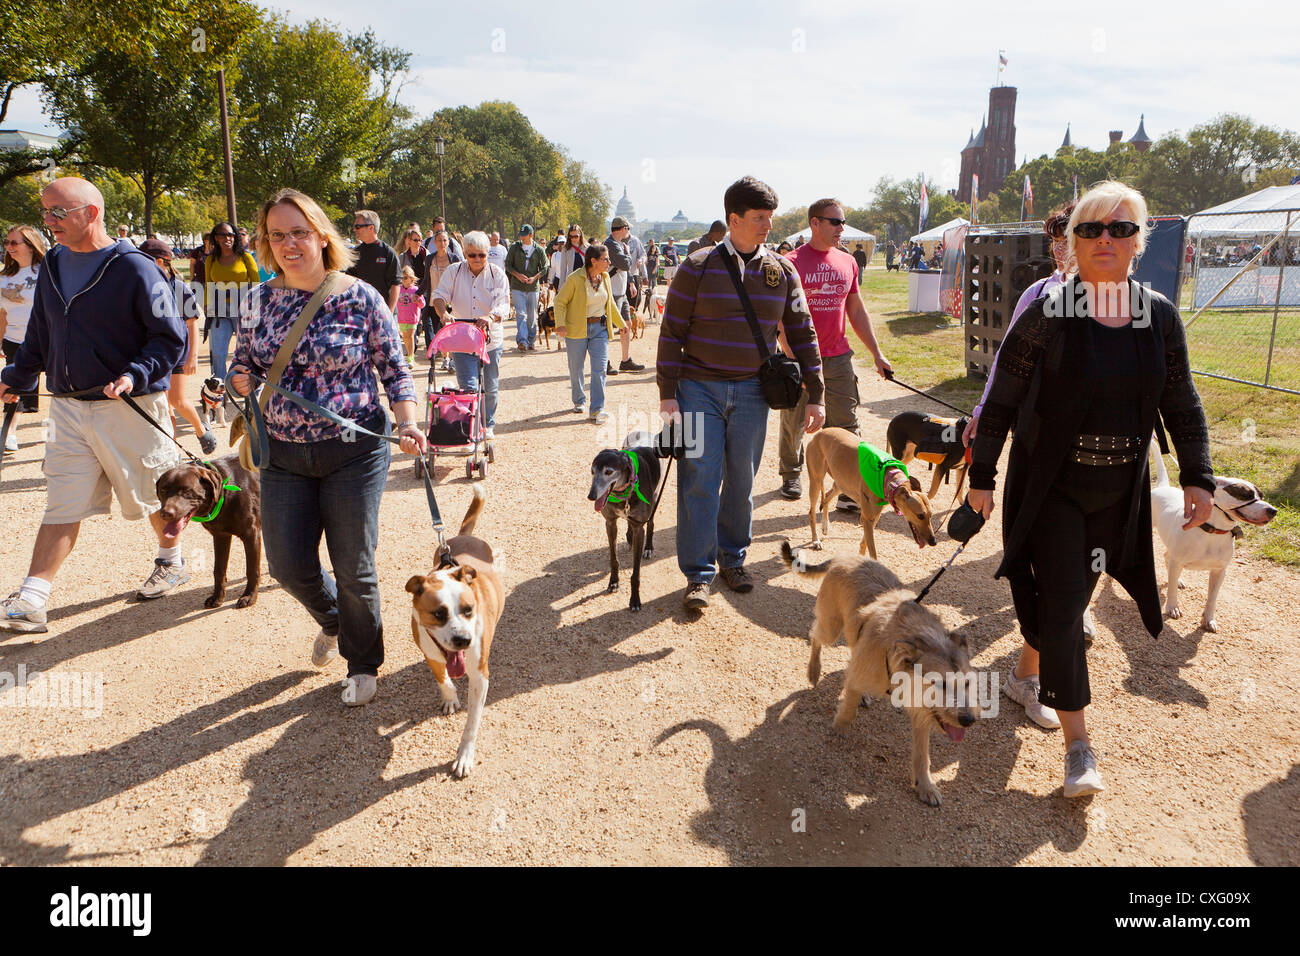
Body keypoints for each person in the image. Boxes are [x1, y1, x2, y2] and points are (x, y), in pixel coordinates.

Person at [967, 181, 1214, 797]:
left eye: (1121, 229)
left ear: (1140, 241)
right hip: (1052, 488)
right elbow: (1001, 401)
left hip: (1121, 490)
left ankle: (1025, 674)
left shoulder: (1157, 315)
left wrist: (1198, 474)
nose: (1106, 239)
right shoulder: (1047, 314)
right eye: (1091, 229)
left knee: (1067, 602)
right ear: (1071, 241)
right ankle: (1081, 749)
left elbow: (1182, 401)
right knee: (1067, 603)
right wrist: (981, 479)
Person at [228, 188, 423, 707]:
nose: (289, 243)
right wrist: (239, 379)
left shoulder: (358, 296)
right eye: (277, 235)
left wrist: (408, 423)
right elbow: (240, 364)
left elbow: (394, 369)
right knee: (287, 566)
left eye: (299, 232)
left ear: (320, 236)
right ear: (267, 244)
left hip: (354, 450)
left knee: (354, 563)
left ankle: (362, 662)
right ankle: (339, 621)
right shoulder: (259, 301)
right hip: (283, 456)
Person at [0, 176, 188, 633]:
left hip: (129, 407)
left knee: (155, 496)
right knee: (62, 502)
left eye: (58, 213)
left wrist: (134, 373)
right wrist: (17, 377)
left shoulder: (136, 267)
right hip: (67, 407)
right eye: (45, 213)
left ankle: (172, 560)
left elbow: (171, 338)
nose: (49, 222)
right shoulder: (55, 264)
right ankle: (33, 598)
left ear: (92, 213)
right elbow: (41, 334)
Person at [657, 176, 825, 610]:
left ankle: (733, 560)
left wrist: (818, 392)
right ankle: (698, 575)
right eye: (758, 218)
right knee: (699, 479)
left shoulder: (782, 270)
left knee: (742, 482)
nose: (768, 225)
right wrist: (668, 393)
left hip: (753, 393)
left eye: (769, 217)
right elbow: (672, 332)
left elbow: (803, 333)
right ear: (733, 219)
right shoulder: (696, 267)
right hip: (697, 391)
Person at [778, 198, 892, 506]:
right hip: (801, 355)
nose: (842, 228)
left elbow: (856, 310)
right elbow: (777, 311)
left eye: (842, 222)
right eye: (835, 222)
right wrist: (786, 346)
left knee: (845, 421)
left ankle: (846, 487)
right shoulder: (791, 261)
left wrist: (877, 353)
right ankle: (791, 473)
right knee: (795, 419)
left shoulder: (847, 261)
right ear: (815, 223)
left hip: (839, 356)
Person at [963, 202, 1076, 449]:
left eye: (1065, 241)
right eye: (1054, 241)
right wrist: (983, 408)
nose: (1058, 249)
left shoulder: (1112, 297)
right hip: (1036, 417)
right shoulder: (1037, 292)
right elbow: (1006, 356)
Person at [140, 238, 216, 454]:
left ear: (163, 262)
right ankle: (171, 451)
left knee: (178, 400)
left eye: (148, 261)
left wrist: (192, 356)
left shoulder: (179, 287)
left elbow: (192, 322)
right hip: (154, 355)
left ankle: (200, 429)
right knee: (163, 405)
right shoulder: (143, 288)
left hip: (177, 353)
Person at [431, 231, 509, 439]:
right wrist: (444, 313)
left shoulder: (497, 274)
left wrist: (491, 316)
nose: (477, 259)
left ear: (487, 254)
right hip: (462, 339)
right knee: (469, 388)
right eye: (472, 255)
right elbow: (439, 296)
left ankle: (488, 424)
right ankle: (473, 427)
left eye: (481, 255)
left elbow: (503, 304)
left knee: (490, 386)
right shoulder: (453, 272)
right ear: (465, 253)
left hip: (490, 340)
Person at [554, 243, 624, 422]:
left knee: (600, 369)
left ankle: (597, 409)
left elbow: (610, 304)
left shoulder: (606, 277)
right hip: (577, 328)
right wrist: (560, 324)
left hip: (599, 328)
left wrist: (621, 324)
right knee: (576, 368)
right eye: (605, 259)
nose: (609, 262)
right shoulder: (575, 278)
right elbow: (560, 302)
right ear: (593, 261)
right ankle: (579, 400)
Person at [1, 225, 48, 437]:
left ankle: (61, 433)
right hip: (15, 340)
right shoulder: (4, 277)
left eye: (14, 242)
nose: (9, 247)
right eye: (6, 242)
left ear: (30, 245)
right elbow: (2, 314)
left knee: (59, 387)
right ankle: (9, 432)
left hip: (46, 340)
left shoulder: (46, 272)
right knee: (13, 386)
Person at [202, 221, 259, 384]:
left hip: (243, 309)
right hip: (220, 311)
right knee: (218, 351)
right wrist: (207, 306)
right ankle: (219, 386)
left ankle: (252, 383)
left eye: (231, 234)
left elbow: (255, 283)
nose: (227, 238)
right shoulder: (211, 260)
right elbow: (208, 284)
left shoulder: (245, 257)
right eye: (223, 234)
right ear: (216, 238)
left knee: (248, 351)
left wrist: (255, 307)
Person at [604, 216, 645, 374]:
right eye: (628, 229)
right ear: (622, 229)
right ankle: (605, 362)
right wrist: (628, 254)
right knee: (607, 329)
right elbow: (625, 264)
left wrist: (631, 283)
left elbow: (625, 268)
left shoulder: (619, 244)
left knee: (626, 325)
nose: (629, 232)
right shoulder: (610, 245)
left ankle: (625, 360)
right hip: (612, 293)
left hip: (621, 292)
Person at [505, 224, 548, 351]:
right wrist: (517, 275)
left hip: (533, 288)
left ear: (531, 235)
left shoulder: (539, 250)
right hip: (517, 286)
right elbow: (508, 264)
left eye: (525, 236)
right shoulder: (514, 247)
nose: (522, 238)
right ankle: (522, 341)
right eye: (521, 235)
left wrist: (535, 278)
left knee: (532, 315)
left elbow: (545, 267)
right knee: (521, 314)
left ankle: (531, 340)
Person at [424, 229, 463, 370]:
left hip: (451, 300)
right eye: (439, 240)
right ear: (435, 242)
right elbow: (426, 280)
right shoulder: (429, 259)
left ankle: (451, 359)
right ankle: (445, 357)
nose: (442, 243)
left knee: (450, 330)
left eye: (445, 240)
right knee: (440, 331)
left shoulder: (454, 259)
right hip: (434, 301)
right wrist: (417, 293)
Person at [346, 209, 400, 312]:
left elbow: (395, 284)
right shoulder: (355, 252)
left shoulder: (387, 252)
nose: (354, 229)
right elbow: (349, 281)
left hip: (383, 309)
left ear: (371, 227)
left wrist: (390, 312)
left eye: (358, 226)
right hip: (360, 310)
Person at [550, 225, 587, 349]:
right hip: (571, 282)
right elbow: (563, 269)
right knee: (569, 309)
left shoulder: (587, 248)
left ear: (580, 235)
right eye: (571, 237)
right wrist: (561, 287)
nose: (573, 239)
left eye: (576, 236)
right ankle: (568, 337)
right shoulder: (566, 249)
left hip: (585, 282)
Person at [395, 265, 425, 363]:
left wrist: (418, 300)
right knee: (405, 338)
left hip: (412, 318)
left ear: (411, 278)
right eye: (402, 278)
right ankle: (408, 353)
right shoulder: (399, 289)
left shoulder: (416, 290)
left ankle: (411, 356)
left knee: (411, 336)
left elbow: (422, 304)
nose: (403, 280)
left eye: (405, 278)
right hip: (402, 318)